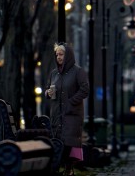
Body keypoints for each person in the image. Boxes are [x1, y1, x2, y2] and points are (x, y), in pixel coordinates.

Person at [45, 42, 90, 176]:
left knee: (69, 141)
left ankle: (69, 168)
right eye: (57, 54)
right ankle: (61, 167)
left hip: (72, 114)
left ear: (68, 55)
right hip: (57, 113)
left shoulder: (78, 71)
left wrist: (71, 102)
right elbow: (47, 89)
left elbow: (85, 90)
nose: (59, 57)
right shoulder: (54, 74)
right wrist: (47, 93)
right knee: (58, 140)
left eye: (61, 54)